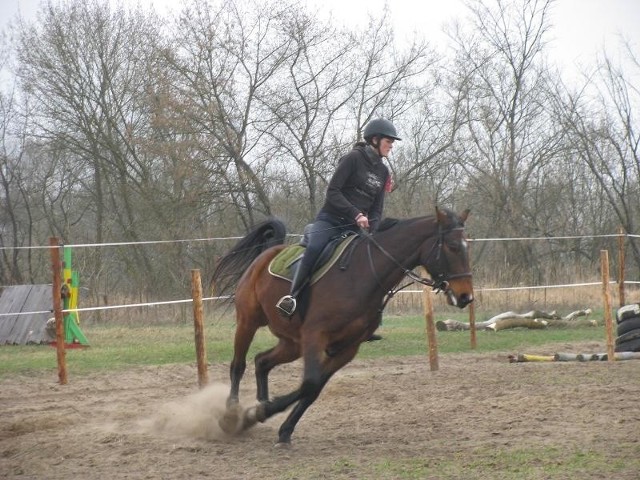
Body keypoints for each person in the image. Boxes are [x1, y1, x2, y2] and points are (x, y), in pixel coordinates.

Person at [276, 117, 401, 318]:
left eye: (392, 143)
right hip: (330, 221)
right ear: (375, 140)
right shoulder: (353, 158)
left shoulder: (383, 171)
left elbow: (377, 208)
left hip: (354, 230)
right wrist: (357, 213)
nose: (391, 146)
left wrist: (374, 229)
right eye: (389, 142)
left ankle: (367, 316)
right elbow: (333, 192)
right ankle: (293, 298)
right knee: (315, 248)